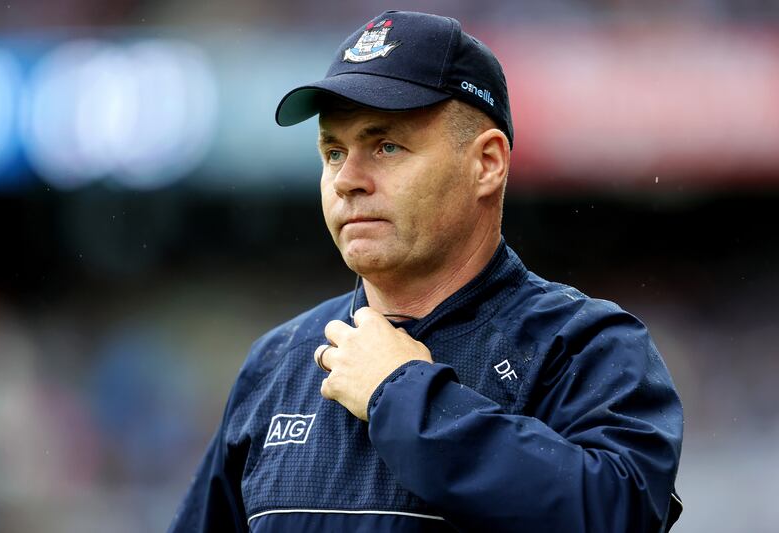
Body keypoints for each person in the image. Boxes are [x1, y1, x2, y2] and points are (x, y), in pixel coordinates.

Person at [169, 10, 683, 533]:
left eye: (386, 146)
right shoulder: (277, 361)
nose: (347, 180)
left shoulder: (584, 348)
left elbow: (619, 516)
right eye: (333, 152)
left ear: (487, 163)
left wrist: (400, 393)